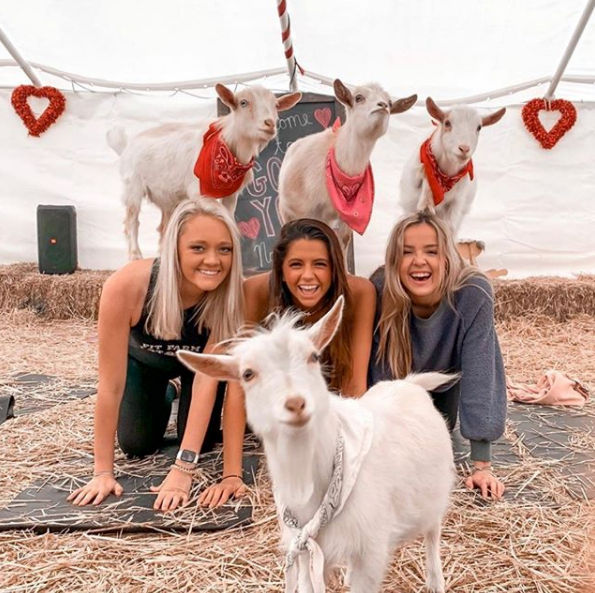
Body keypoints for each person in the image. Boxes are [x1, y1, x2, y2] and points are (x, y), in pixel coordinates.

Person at [68, 198, 245, 511]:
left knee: (201, 443)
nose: (213, 260)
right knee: (136, 445)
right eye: (198, 248)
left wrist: (183, 468)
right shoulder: (125, 286)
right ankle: (168, 391)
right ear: (174, 248)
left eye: (224, 249)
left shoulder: (229, 295)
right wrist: (102, 472)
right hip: (145, 364)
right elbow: (110, 386)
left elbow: (207, 378)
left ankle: (179, 388)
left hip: (196, 370)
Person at [198, 217, 377, 507]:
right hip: (277, 404)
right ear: (280, 270)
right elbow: (239, 387)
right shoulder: (255, 291)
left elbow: (355, 382)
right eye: (296, 265)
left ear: (335, 267)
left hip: (324, 400)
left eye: (320, 264)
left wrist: (350, 461)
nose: (308, 276)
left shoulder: (360, 293)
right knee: (144, 442)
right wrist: (232, 473)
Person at [368, 210, 507, 500]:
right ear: (394, 261)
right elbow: (377, 374)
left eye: (431, 251)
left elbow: (482, 373)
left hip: (444, 384)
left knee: (441, 431)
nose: (419, 260)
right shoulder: (380, 289)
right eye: (407, 252)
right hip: (398, 387)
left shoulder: (472, 293)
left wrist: (482, 465)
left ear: (446, 258)